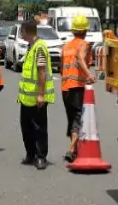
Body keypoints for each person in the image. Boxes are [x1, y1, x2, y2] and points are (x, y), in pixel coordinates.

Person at [17, 20, 55, 170]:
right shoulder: (31, 46)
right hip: (26, 97)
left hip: (36, 97)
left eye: (21, 32)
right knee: (26, 128)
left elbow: (42, 71)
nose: (21, 35)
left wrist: (41, 94)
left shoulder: (39, 47)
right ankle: (30, 154)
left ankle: (40, 157)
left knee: (39, 128)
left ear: (25, 31)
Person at [60, 14, 95, 162]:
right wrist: (89, 75)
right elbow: (80, 59)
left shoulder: (66, 46)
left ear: (73, 30)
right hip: (77, 87)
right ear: (85, 31)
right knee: (78, 117)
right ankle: (72, 149)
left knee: (71, 118)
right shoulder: (84, 44)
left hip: (65, 88)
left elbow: (61, 67)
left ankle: (74, 150)